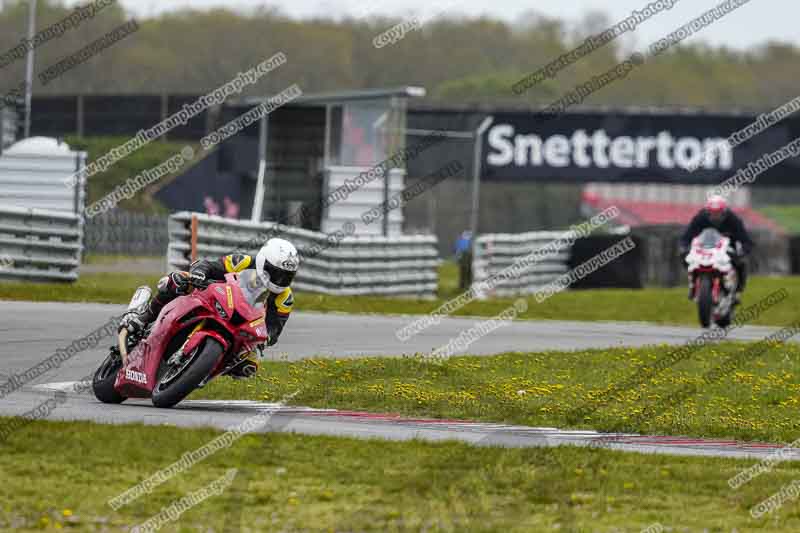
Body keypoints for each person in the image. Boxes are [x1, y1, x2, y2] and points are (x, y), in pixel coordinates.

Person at [119, 238, 299, 378]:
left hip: (241, 325)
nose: (280, 280)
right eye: (275, 273)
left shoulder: (285, 298)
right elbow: (211, 265)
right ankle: (143, 317)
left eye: (286, 276)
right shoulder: (243, 261)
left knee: (250, 364)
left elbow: (274, 330)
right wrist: (199, 273)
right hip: (214, 297)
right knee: (177, 280)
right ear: (262, 262)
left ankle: (200, 373)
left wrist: (263, 340)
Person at [679, 195, 754, 301]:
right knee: (685, 257)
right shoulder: (700, 218)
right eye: (713, 213)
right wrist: (684, 247)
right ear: (708, 212)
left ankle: (738, 290)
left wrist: (744, 250)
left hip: (727, 248)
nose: (715, 216)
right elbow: (687, 235)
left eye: (718, 213)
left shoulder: (733, 219)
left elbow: (745, 239)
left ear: (724, 212)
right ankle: (693, 284)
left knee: (741, 263)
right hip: (704, 248)